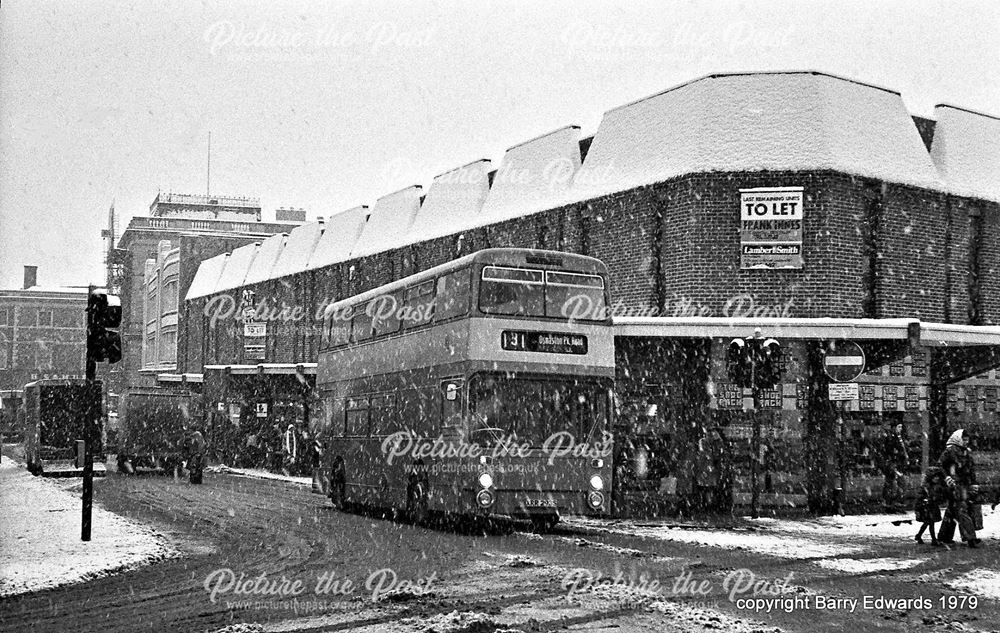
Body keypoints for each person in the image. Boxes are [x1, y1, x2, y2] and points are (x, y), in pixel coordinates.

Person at [938, 429, 980, 548]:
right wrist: (947, 477)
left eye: (967, 440)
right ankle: (970, 537)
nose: (966, 442)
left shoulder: (965, 452)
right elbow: (941, 466)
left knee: (952, 509)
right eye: (964, 439)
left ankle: (944, 536)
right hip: (955, 485)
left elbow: (971, 469)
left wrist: (974, 483)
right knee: (962, 509)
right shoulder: (951, 451)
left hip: (961, 484)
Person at [879, 422, 909, 508]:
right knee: (892, 482)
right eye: (899, 427)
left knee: (893, 482)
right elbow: (890, 450)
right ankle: (891, 501)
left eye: (901, 427)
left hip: (896, 463)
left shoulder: (898, 437)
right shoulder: (891, 438)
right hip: (893, 463)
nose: (901, 429)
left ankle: (892, 501)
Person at [914, 466, 945, 545]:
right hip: (926, 507)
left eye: (938, 477)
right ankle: (933, 540)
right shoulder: (926, 487)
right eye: (935, 477)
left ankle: (919, 535)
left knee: (928, 523)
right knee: (930, 523)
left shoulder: (937, 486)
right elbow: (920, 497)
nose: (937, 478)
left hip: (932, 506)